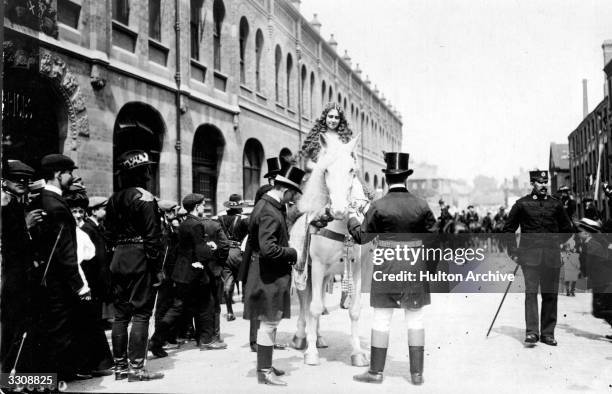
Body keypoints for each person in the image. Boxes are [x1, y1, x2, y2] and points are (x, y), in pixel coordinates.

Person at [347, 152, 436, 385]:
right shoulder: (421, 205)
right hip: (415, 268)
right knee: (415, 320)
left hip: (386, 267)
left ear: (386, 179)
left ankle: (376, 372)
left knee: (381, 320)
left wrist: (351, 219)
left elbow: (361, 238)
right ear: (406, 178)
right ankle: (417, 374)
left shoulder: (377, 206)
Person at [28, 154, 90, 380]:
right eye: (69, 173)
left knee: (52, 326)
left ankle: (62, 373)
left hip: (45, 276)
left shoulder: (41, 199)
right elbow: (65, 251)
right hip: (58, 279)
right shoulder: (57, 206)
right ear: (58, 174)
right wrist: (79, 285)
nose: (71, 177)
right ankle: (55, 379)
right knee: (60, 328)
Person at [104, 150, 164, 381]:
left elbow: (107, 234)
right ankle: (136, 369)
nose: (149, 173)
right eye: (146, 169)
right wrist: (157, 268)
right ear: (141, 173)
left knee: (120, 316)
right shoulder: (145, 198)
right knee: (141, 313)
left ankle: (119, 368)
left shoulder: (113, 199)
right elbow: (152, 238)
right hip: (140, 259)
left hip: (118, 258)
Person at [244, 166, 304, 386]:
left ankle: (265, 366)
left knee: (269, 322)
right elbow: (268, 248)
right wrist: (292, 252)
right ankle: (264, 372)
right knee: (269, 322)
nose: (294, 198)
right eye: (293, 193)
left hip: (267, 273)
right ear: (285, 189)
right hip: (268, 275)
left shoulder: (266, 205)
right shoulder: (270, 210)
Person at [503, 170, 573, 347]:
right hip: (530, 258)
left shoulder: (556, 205)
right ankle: (532, 333)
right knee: (531, 293)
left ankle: (548, 334)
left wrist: (556, 243)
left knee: (550, 295)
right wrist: (514, 252)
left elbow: (567, 229)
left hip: (551, 257)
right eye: (539, 182)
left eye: (545, 182)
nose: (543, 185)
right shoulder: (522, 204)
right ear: (532, 184)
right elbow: (508, 229)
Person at [149, 194, 223, 356]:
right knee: (207, 305)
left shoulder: (184, 224)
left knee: (177, 307)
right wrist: (211, 247)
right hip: (195, 272)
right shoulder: (196, 224)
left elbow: (185, 248)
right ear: (197, 207)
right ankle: (206, 341)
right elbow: (200, 251)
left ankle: (156, 340)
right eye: (203, 205)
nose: (204, 208)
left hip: (182, 272)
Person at [64, 185, 114, 377]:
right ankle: (82, 367)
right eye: (73, 211)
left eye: (79, 211)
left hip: (86, 283)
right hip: (75, 284)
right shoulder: (74, 231)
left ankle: (94, 365)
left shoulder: (82, 232)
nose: (77, 215)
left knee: (89, 325)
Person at [0, 160, 43, 374]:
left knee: (20, 327)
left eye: (26, 180)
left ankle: (16, 376)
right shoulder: (6, 205)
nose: (23, 183)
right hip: (11, 276)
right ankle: (8, 377)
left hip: (20, 275)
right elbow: (9, 245)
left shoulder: (17, 204)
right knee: (12, 327)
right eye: (17, 179)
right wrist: (26, 226)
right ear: (4, 180)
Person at [576, 218, 612, 337]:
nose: (578, 234)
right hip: (601, 280)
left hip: (603, 280)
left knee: (600, 310)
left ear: (587, 233)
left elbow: (590, 263)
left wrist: (584, 274)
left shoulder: (593, 245)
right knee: (602, 309)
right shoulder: (590, 243)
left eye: (580, 232)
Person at [218, 194, 249, 321]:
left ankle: (230, 312)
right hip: (238, 252)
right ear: (238, 208)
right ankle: (247, 311)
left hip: (224, 253)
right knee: (246, 279)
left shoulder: (220, 219)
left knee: (228, 281)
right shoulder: (244, 220)